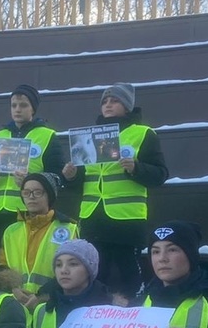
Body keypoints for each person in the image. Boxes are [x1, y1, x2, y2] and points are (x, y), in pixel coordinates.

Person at [60, 83, 168, 298]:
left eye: (115, 101)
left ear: (127, 106)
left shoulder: (143, 133)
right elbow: (84, 180)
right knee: (94, 279)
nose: (108, 105)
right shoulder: (88, 136)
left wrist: (137, 168)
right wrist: (71, 176)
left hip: (126, 221)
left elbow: (160, 174)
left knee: (130, 280)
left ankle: (131, 320)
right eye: (104, 102)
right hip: (93, 218)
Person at [0, 84, 59, 243]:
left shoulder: (47, 135)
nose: (17, 109)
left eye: (23, 105)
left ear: (33, 109)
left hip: (26, 210)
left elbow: (56, 177)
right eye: (13, 105)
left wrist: (31, 180)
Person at [0, 172, 78, 309]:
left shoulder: (68, 229)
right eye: (26, 192)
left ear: (49, 196)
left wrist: (42, 295)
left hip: (51, 304)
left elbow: (73, 271)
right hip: (15, 305)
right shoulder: (11, 231)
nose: (31, 197)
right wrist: (13, 289)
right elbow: (1, 266)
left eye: (37, 192)